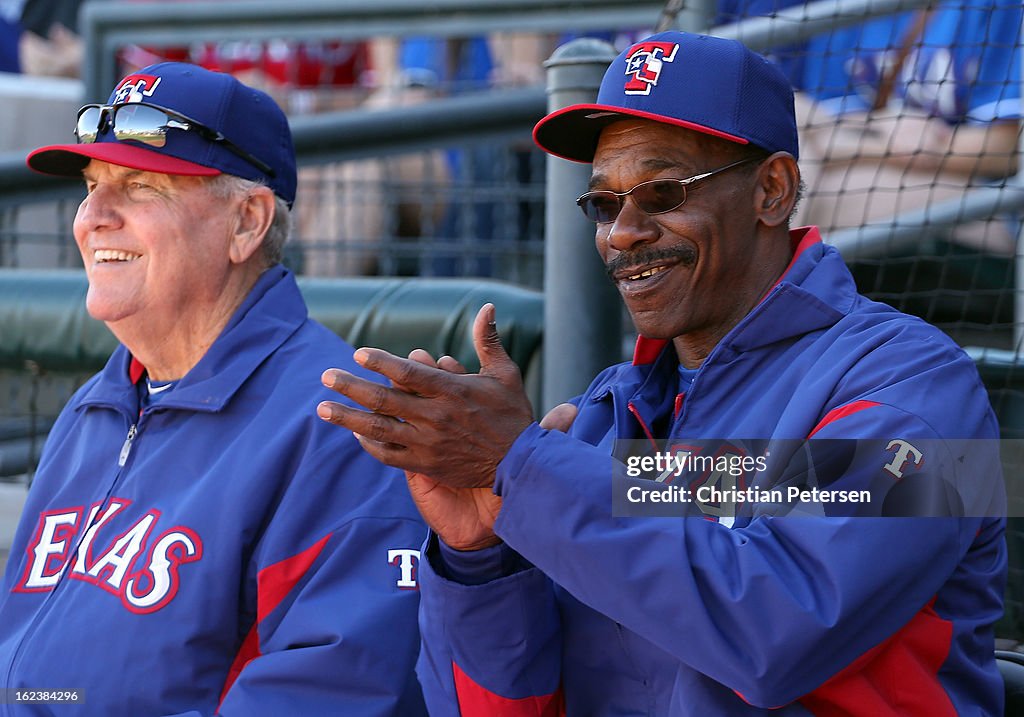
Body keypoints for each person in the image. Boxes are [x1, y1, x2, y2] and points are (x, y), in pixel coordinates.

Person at [317, 30, 1007, 715]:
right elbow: (494, 705)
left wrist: (525, 467)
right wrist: (482, 554)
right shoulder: (603, 414)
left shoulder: (915, 384)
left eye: (662, 192)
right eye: (604, 203)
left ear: (772, 190)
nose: (622, 231)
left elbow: (776, 630)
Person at [0, 62, 427, 715]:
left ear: (246, 223)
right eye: (92, 185)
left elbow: (329, 691)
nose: (93, 217)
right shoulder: (99, 404)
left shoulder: (341, 421)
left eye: (138, 186)